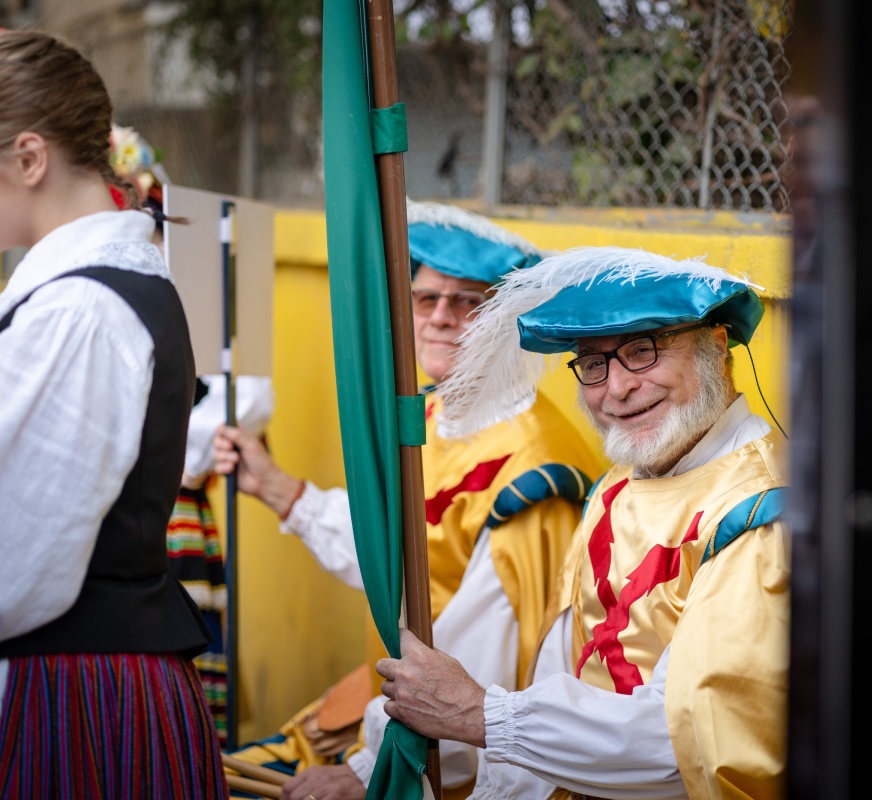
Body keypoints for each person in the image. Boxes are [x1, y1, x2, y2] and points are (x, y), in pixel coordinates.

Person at [214, 201, 602, 799]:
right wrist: (274, 485)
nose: (441, 318)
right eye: (427, 299)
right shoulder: (430, 414)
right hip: (397, 713)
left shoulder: (534, 475)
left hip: (448, 761)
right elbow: (393, 555)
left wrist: (364, 770)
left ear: (505, 321)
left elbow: (488, 672)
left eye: (468, 302)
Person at [376, 246, 789, 799]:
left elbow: (689, 745)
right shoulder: (616, 483)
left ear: (716, 348)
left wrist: (483, 715)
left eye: (643, 351)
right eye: (593, 363)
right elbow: (558, 670)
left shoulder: (762, 513)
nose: (616, 389)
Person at [0, 30, 226, 797]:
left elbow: (22, 562)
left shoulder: (81, 309)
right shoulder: (83, 293)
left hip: (73, 696)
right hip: (83, 675)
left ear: (30, 159)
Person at [109, 121, 277, 746]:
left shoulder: (196, 286)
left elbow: (248, 399)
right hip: (131, 515)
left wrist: (173, 448)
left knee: (185, 674)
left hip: (176, 516)